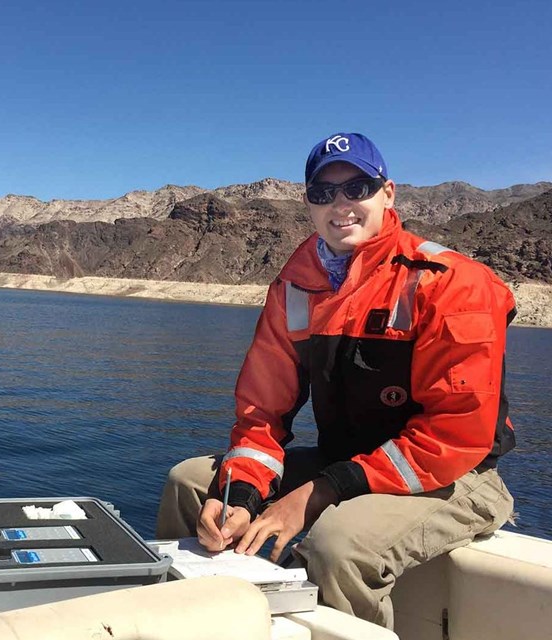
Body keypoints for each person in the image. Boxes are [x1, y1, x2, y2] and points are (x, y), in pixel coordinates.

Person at [156, 132, 516, 629]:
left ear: (387, 193)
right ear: (308, 203)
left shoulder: (450, 282)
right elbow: (262, 410)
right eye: (324, 193)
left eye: (357, 188)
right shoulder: (296, 287)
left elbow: (456, 433)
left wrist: (321, 491)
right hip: (346, 465)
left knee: (338, 545)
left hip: (457, 476)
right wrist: (240, 496)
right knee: (191, 483)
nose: (340, 204)